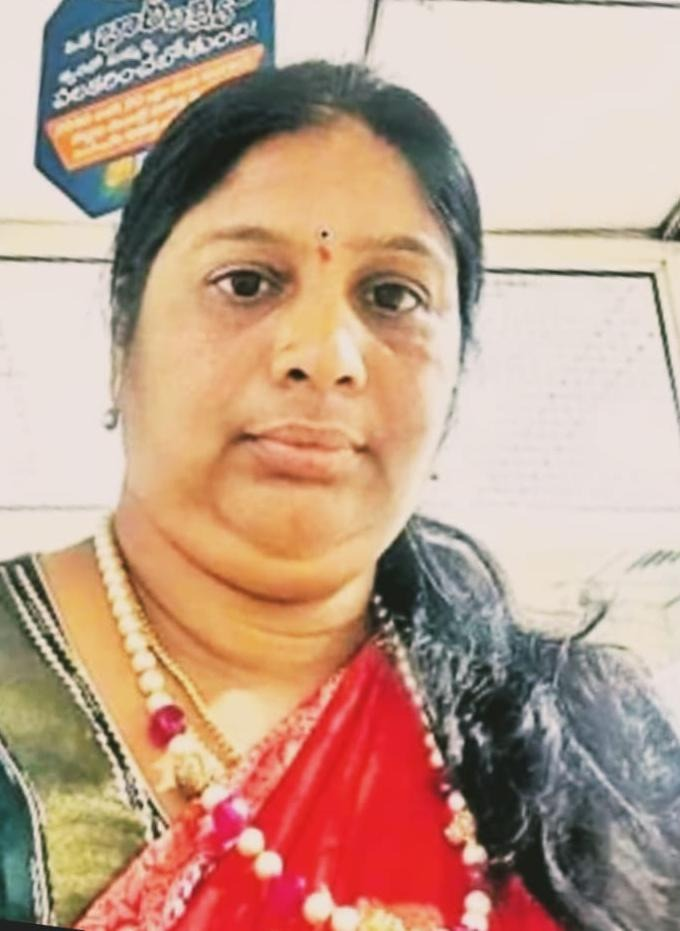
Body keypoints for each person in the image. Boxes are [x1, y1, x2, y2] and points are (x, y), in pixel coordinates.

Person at [0, 60, 678, 931]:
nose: (325, 354)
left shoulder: (589, 752)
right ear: (120, 339)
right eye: (247, 282)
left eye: (392, 296)